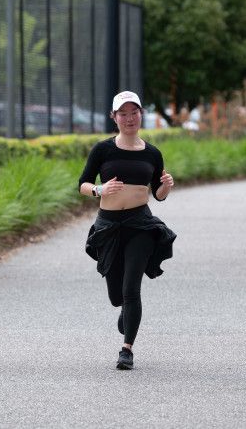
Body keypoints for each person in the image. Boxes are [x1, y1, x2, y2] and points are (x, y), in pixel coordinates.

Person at [79, 90, 177, 370]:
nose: (129, 118)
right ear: (114, 117)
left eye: (134, 112)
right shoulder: (103, 149)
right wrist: (100, 188)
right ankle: (125, 310)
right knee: (116, 296)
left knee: (132, 289)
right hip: (108, 225)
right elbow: (83, 184)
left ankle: (127, 349)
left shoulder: (152, 153)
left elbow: (157, 194)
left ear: (141, 115)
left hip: (140, 225)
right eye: (123, 113)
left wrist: (165, 187)